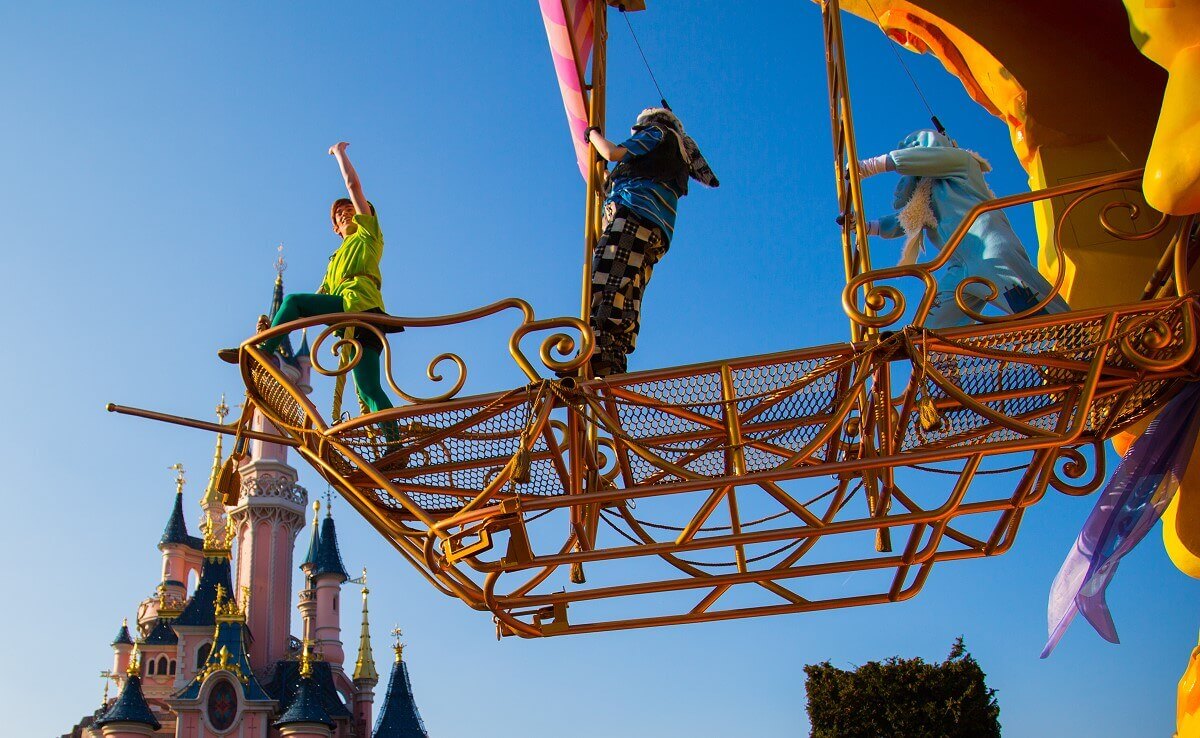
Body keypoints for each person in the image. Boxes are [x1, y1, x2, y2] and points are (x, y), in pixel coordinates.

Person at [219, 142, 397, 419]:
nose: (345, 213)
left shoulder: (368, 236)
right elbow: (315, 300)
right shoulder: (334, 262)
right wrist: (273, 325)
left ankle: (264, 351)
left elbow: (353, 186)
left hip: (362, 306)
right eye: (339, 214)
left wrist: (339, 153)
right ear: (335, 228)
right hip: (347, 319)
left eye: (350, 209)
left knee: (368, 389)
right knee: (367, 389)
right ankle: (394, 440)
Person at [855, 129, 1068, 328]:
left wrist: (870, 166)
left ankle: (1080, 342)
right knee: (929, 330)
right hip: (959, 268)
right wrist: (867, 227)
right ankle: (930, 357)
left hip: (991, 252)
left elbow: (930, 159)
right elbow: (906, 220)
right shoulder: (925, 196)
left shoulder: (963, 162)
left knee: (1031, 306)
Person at [582, 107, 719, 376]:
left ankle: (598, 350)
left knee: (606, 279)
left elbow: (611, 152)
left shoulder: (657, 133)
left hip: (634, 213)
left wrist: (592, 134)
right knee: (630, 287)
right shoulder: (675, 153)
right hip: (658, 229)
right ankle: (614, 355)